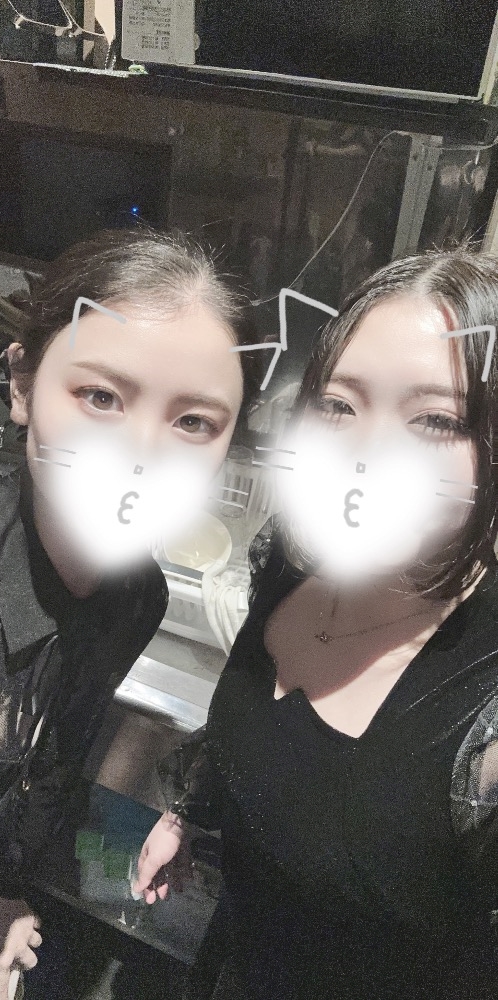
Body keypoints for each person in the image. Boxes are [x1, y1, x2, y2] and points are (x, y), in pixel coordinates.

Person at [135, 246, 498, 1000]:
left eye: (434, 419)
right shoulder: (288, 559)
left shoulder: (485, 715)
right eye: (338, 405)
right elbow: (268, 735)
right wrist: (192, 815)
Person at [0, 228, 259, 999]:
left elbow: (58, 752)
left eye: (193, 421)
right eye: (102, 397)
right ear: (22, 385)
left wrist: (4, 891)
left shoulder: (136, 595)